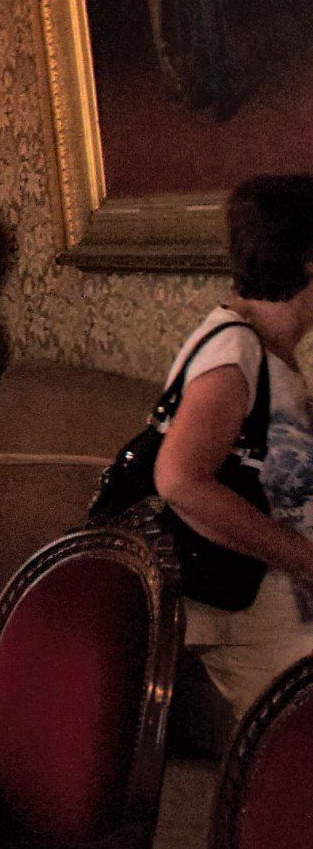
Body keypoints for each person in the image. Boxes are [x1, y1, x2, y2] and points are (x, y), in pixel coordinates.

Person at [155, 175, 313, 713]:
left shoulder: (265, 350)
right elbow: (179, 480)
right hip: (250, 617)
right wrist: (304, 558)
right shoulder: (234, 348)